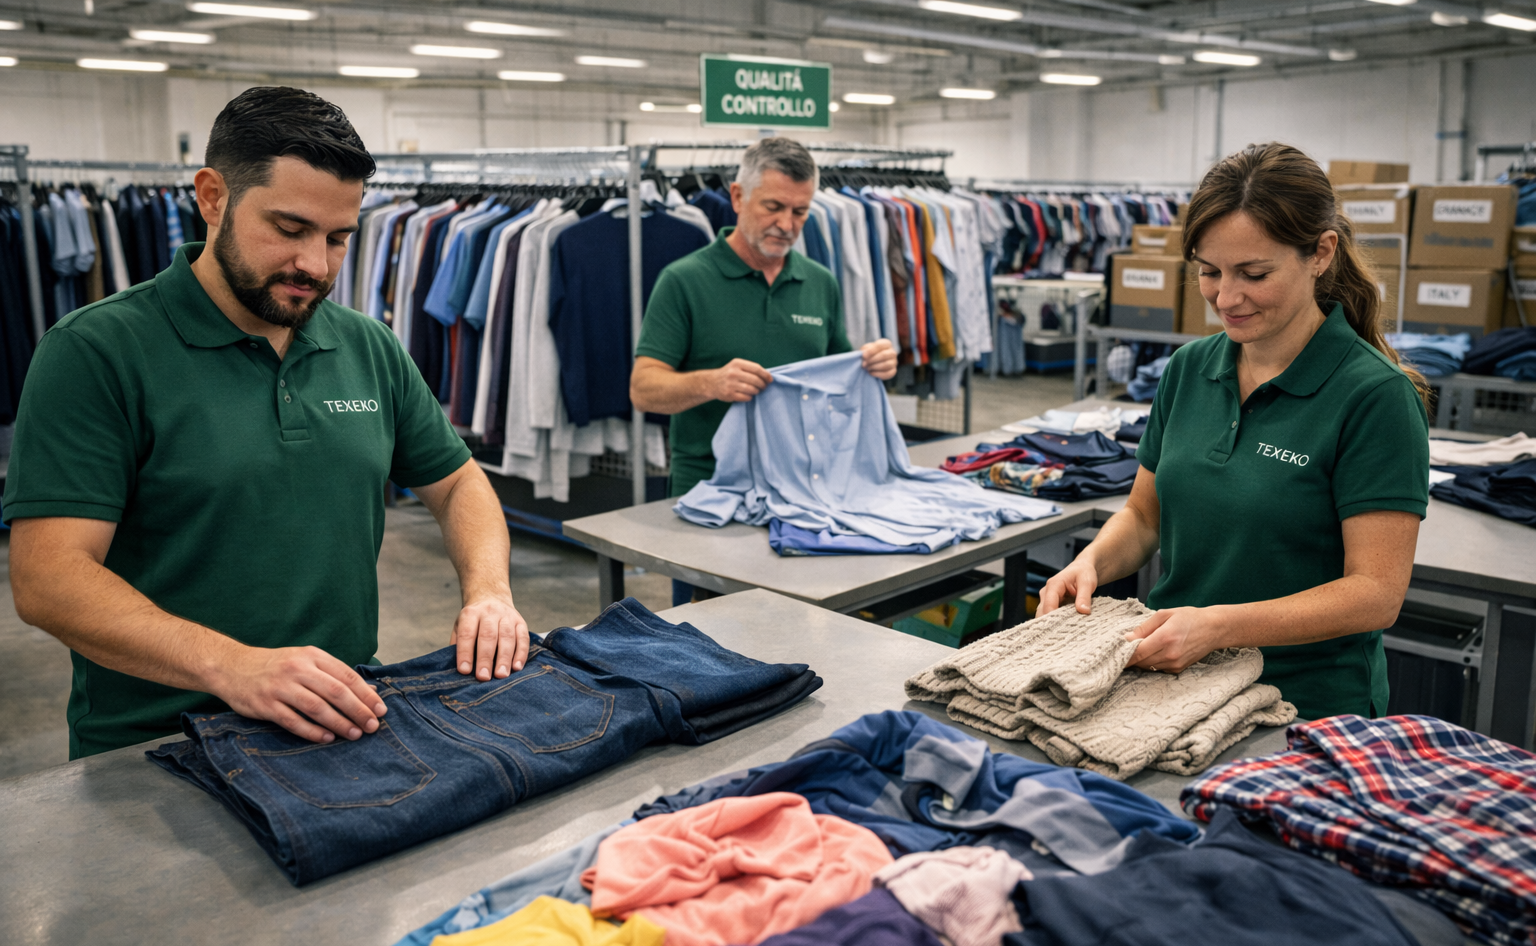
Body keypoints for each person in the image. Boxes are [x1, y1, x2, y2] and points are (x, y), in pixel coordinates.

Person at [6, 86, 531, 758]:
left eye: (339, 238)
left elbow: (458, 484)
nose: (315, 265)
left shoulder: (367, 347)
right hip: (155, 751)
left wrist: (489, 592)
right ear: (212, 198)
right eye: (289, 230)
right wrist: (231, 665)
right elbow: (48, 578)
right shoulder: (96, 352)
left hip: (341, 718)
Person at [1039, 141, 1430, 719]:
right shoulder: (1189, 369)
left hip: (1304, 709)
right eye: (1209, 272)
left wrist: (1220, 625)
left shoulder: (1375, 397)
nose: (1226, 297)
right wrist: (1092, 561)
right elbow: (1146, 516)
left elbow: (1375, 594)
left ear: (1321, 253)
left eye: (1254, 273)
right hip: (1173, 687)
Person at [629, 137, 899, 606]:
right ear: (737, 197)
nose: (786, 224)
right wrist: (711, 382)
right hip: (711, 495)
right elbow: (644, 388)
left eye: (800, 212)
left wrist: (872, 364)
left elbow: (836, 384)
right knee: (703, 638)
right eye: (773, 206)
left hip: (805, 498)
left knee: (797, 633)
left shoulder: (819, 282)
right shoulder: (684, 280)